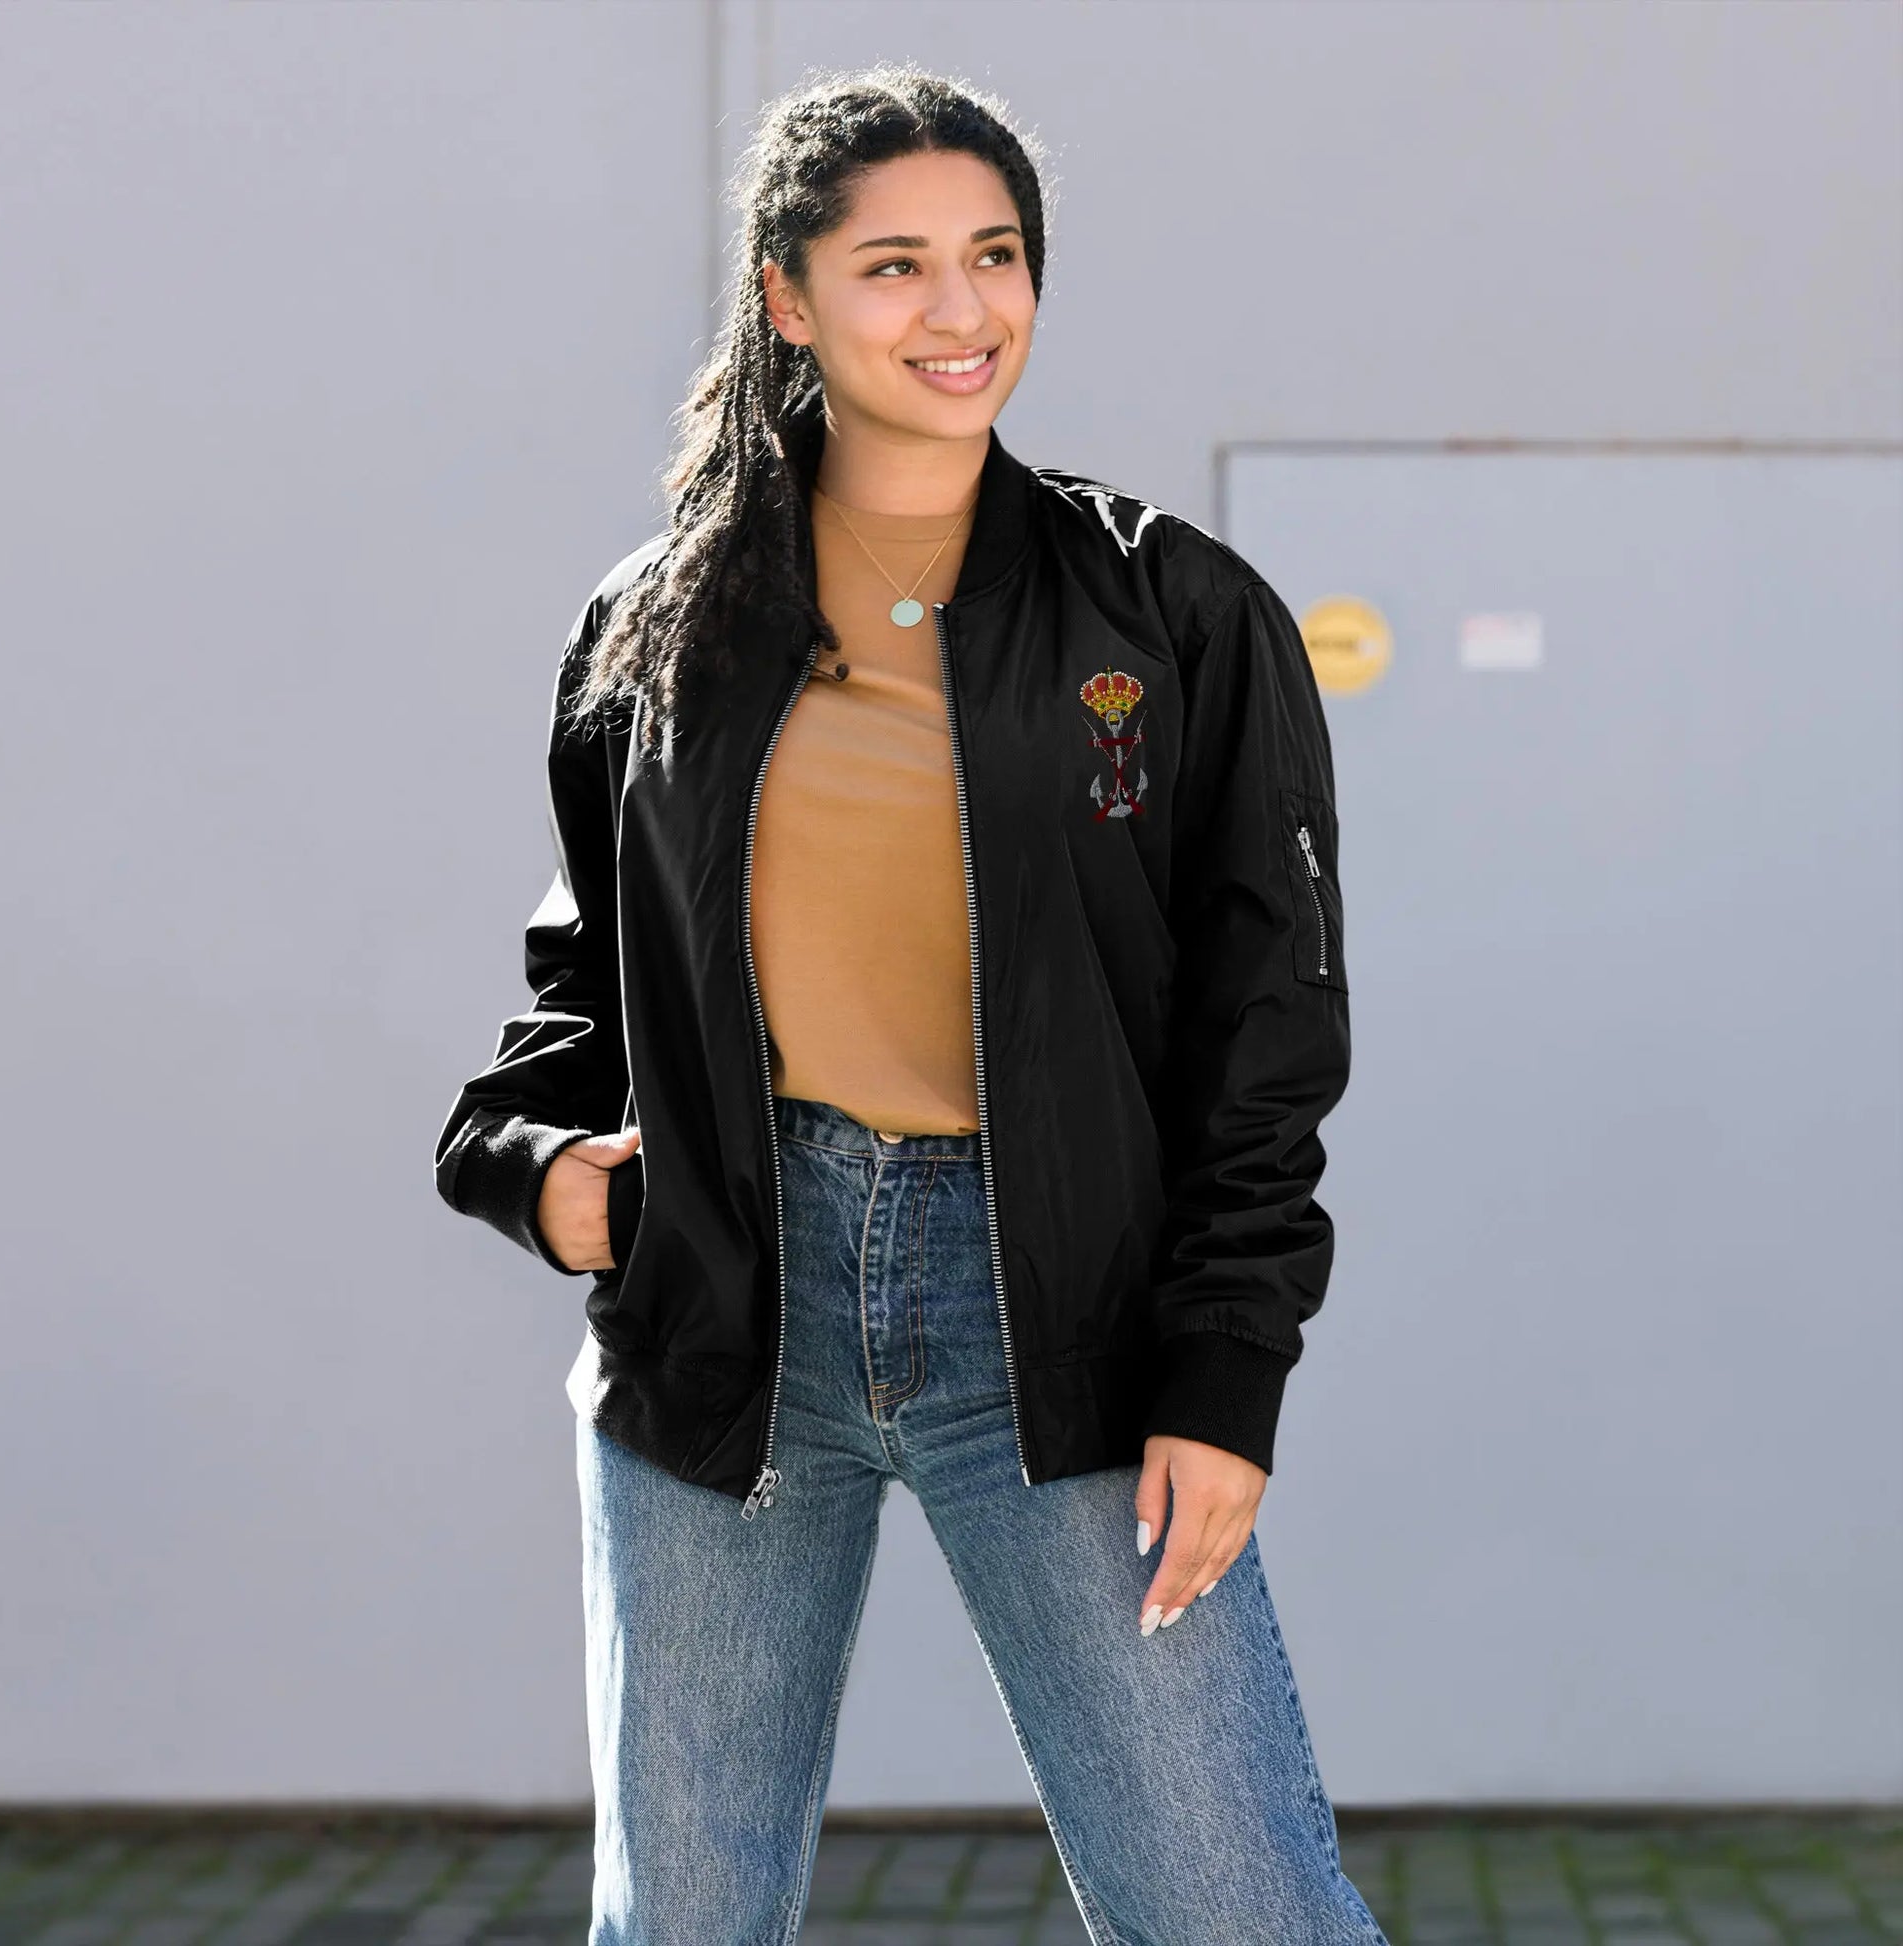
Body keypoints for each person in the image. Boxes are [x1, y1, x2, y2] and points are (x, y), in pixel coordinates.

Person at [434, 61, 1387, 1946]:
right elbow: (582, 977)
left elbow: (1267, 1030)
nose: (959, 312)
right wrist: (526, 1164)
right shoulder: (661, 625)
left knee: (1239, 1910)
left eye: (995, 256)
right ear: (786, 296)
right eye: (893, 267)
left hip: (1061, 1317)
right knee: (680, 1925)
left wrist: (1223, 1372)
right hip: (725, 1305)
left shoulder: (1173, 615)